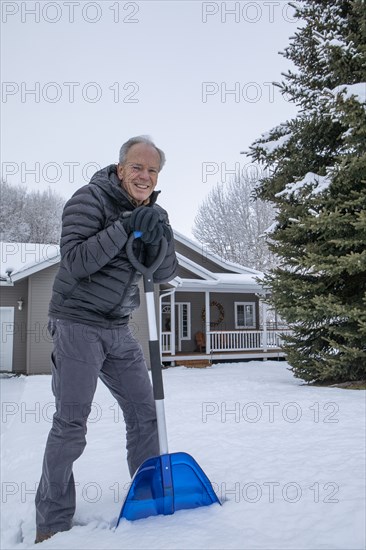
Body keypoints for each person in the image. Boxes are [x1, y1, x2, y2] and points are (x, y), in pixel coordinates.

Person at [35, 136, 178, 543]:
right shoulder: (89, 199)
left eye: (152, 171)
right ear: (120, 169)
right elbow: (76, 260)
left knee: (145, 412)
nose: (145, 177)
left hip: (118, 326)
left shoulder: (153, 212)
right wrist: (125, 227)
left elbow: (165, 269)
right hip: (77, 322)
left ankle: (149, 494)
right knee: (71, 424)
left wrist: (155, 236)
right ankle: (52, 519)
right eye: (137, 168)